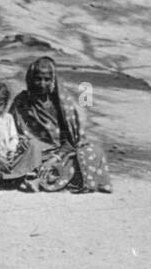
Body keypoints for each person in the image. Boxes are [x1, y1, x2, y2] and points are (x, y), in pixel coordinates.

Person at [10, 56, 112, 192]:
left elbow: (70, 141)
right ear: (30, 79)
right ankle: (40, 179)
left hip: (60, 154)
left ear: (53, 80)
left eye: (46, 79)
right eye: (38, 78)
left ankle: (40, 180)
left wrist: (54, 158)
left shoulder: (62, 103)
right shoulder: (22, 101)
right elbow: (11, 132)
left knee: (93, 152)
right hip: (32, 153)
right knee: (23, 159)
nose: (41, 83)